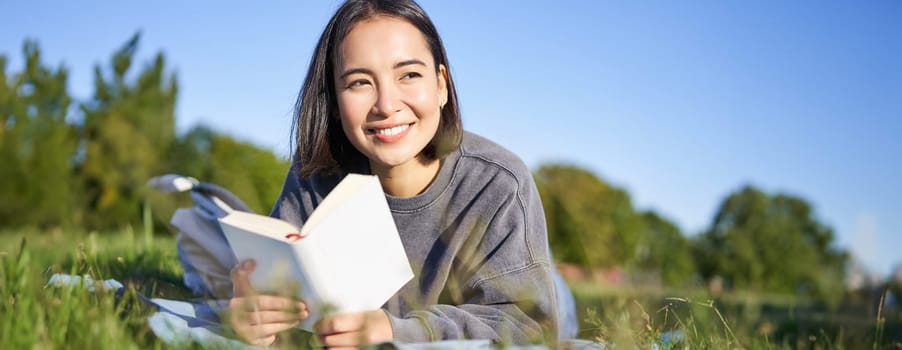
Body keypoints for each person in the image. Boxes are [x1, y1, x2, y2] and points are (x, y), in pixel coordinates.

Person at [227, 0, 561, 347]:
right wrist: (257, 318)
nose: (386, 104)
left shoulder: (499, 182)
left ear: (441, 85)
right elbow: (285, 317)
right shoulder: (314, 172)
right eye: (359, 82)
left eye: (409, 75)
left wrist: (394, 330)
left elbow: (529, 324)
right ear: (335, 103)